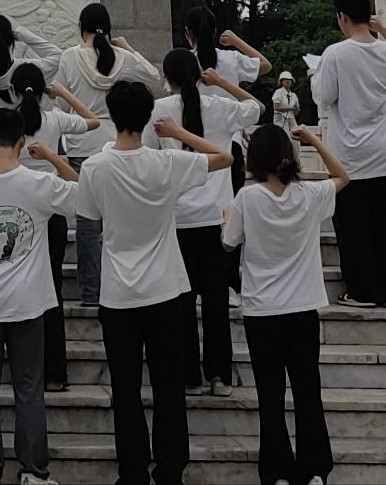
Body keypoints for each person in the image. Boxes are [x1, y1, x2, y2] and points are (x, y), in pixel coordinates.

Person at [75, 79, 231, 485]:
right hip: (165, 291)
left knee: (125, 391)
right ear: (147, 118)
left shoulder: (95, 167)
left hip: (118, 293)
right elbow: (224, 157)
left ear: (111, 116)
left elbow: (91, 221)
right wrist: (178, 134)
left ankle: (131, 472)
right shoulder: (168, 163)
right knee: (168, 388)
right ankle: (170, 470)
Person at [0, 107, 80, 485]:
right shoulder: (37, 183)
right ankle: (34, 472)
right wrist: (55, 158)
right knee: (28, 389)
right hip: (28, 301)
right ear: (23, 142)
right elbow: (85, 195)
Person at [224, 124, 349, 485]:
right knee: (308, 390)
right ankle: (314, 470)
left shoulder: (247, 197)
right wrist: (314, 141)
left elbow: (229, 242)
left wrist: (227, 220)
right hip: (303, 306)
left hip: (262, 310)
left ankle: (276, 471)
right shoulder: (309, 194)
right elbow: (343, 176)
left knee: (270, 394)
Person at [152, 50, 266, 395]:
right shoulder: (220, 107)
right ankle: (219, 375)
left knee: (183, 301)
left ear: (166, 77)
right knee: (216, 300)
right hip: (219, 216)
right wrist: (221, 82)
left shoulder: (158, 112)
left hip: (178, 218)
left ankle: (189, 376)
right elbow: (257, 108)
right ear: (199, 74)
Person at [312, 0, 386, 308]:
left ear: (342, 17)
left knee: (354, 227)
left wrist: (314, 75)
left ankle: (362, 290)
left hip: (350, 157)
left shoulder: (335, 54)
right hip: (385, 152)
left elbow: (323, 97)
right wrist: (383, 32)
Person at [54, 2, 159, 305]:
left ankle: (91, 292)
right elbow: (155, 80)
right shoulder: (124, 58)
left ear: (81, 27)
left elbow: (61, 106)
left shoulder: (69, 57)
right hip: (117, 145)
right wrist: (127, 47)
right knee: (120, 220)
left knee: (87, 226)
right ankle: (124, 286)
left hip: (81, 148)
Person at [7, 62, 98, 390]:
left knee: (19, 290)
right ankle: (56, 374)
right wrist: (64, 94)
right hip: (52, 210)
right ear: (42, 91)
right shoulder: (56, 119)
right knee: (52, 291)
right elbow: (93, 121)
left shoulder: (7, 121)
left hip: (16, 214)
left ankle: (25, 371)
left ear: (14, 90)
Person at [0, 12, 64, 109]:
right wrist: (22, 34)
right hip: (23, 125)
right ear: (11, 41)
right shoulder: (28, 69)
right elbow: (58, 56)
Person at [183, 6, 272, 87]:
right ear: (215, 31)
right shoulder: (232, 58)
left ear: (188, 32)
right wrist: (237, 41)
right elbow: (266, 66)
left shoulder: (181, 61)